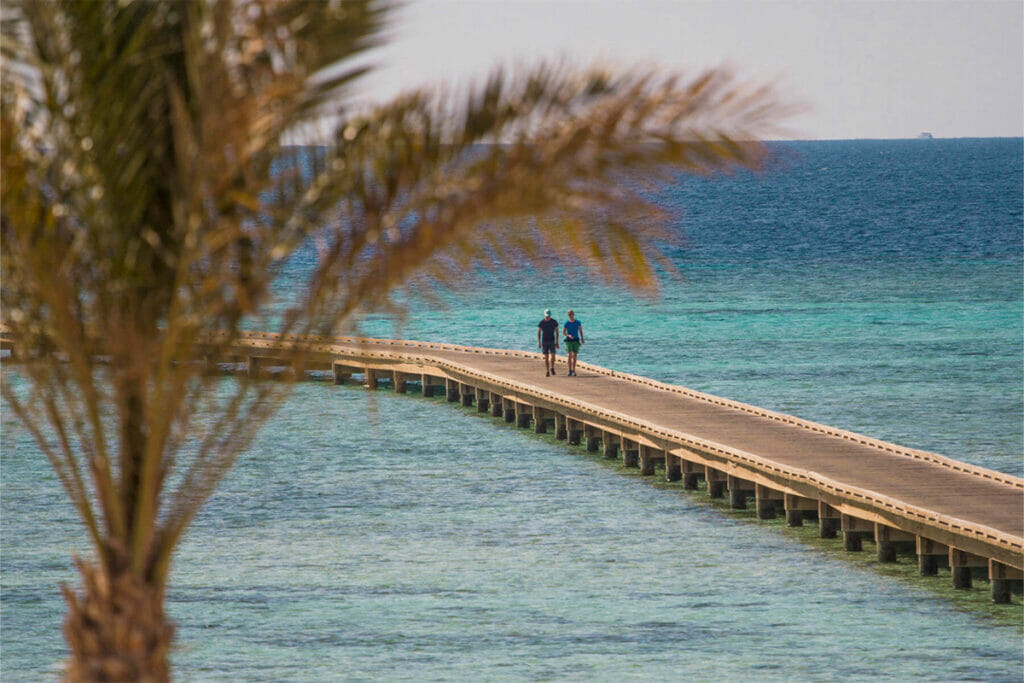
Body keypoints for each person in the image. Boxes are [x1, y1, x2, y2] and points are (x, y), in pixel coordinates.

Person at [562, 309, 584, 376]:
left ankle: (574, 370)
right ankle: (569, 370)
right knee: (569, 355)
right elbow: (563, 332)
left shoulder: (577, 322)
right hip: (569, 340)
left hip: (576, 340)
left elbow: (580, 330)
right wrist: (568, 335)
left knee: (575, 355)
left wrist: (582, 338)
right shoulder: (567, 323)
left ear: (573, 314)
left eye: (571, 314)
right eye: (569, 314)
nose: (570, 315)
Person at [537, 309, 559, 376]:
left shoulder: (554, 322)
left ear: (550, 315)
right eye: (546, 316)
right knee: (546, 357)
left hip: (552, 340)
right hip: (544, 341)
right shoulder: (541, 322)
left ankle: (552, 367)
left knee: (553, 355)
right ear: (544, 315)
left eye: (548, 316)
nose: (547, 317)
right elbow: (539, 332)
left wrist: (557, 342)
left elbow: (557, 332)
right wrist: (539, 342)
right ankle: (547, 371)